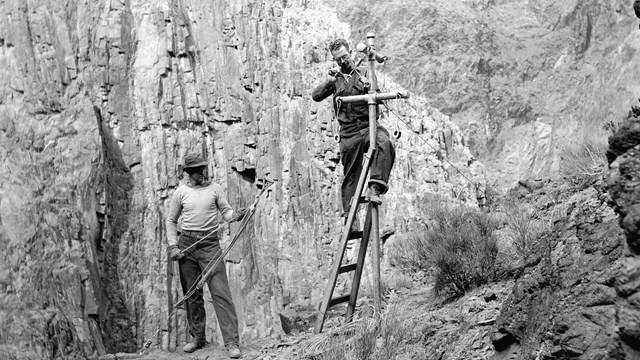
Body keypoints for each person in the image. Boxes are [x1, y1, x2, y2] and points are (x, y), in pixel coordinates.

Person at [166, 153, 247, 358]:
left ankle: (231, 343)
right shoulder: (180, 193)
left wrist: (236, 215)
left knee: (220, 292)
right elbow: (171, 221)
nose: (204, 172)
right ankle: (197, 338)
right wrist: (173, 246)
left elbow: (226, 213)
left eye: (204, 168)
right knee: (192, 294)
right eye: (199, 170)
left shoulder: (215, 189)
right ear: (189, 173)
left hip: (210, 245)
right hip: (186, 245)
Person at [311, 38, 396, 219]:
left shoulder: (365, 71)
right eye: (338, 59)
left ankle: (375, 187)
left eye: (345, 56)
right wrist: (329, 82)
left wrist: (369, 88)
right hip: (348, 132)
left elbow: (378, 96)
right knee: (351, 173)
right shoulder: (336, 79)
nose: (343, 61)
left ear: (350, 53)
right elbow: (316, 96)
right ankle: (351, 217)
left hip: (368, 125)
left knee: (384, 143)